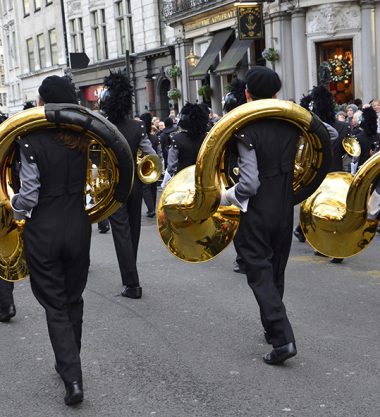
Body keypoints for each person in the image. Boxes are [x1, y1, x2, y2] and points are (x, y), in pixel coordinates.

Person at [10, 75, 91, 405]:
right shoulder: (85, 136)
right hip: (78, 226)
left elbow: (28, 197)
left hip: (44, 229)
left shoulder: (30, 140)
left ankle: (72, 377)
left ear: (43, 103)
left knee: (55, 305)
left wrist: (10, 205)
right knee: (73, 298)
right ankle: (69, 359)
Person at [220, 66, 299, 365]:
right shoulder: (293, 123)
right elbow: (328, 133)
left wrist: (228, 196)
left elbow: (250, 182)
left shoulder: (245, 127)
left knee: (259, 272)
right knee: (276, 270)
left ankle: (282, 339)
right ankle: (271, 328)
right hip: (284, 207)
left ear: (247, 94)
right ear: (276, 93)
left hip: (256, 211)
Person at [99, 70, 156, 299]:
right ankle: (131, 273)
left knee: (121, 232)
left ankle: (132, 284)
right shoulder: (138, 126)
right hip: (135, 183)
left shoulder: (102, 126)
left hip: (112, 186)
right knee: (133, 231)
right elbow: (151, 155)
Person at [161, 102, 209, 188]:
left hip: (183, 180)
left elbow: (171, 166)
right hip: (204, 179)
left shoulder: (177, 138)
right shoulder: (207, 137)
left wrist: (165, 183)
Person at [140, 112, 163, 218]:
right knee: (153, 186)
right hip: (154, 163)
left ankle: (151, 209)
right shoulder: (154, 138)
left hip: (143, 163)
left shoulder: (140, 137)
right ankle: (152, 206)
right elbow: (159, 152)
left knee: (146, 188)